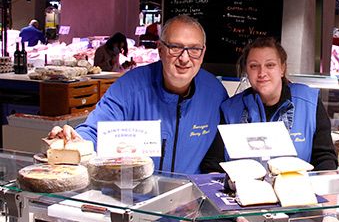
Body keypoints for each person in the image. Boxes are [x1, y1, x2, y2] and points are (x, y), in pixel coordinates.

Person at [203, 37, 339, 222]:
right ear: (246, 71)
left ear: (282, 68)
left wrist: (330, 215)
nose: (262, 73)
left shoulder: (309, 101)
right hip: (245, 221)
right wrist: (232, 211)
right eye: (254, 66)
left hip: (301, 217)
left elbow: (326, 161)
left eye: (270, 65)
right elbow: (212, 168)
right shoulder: (230, 109)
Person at [48, 15, 229, 175]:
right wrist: (74, 140)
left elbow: (218, 155)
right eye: (175, 47)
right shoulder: (129, 87)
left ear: (203, 52)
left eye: (194, 49)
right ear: (160, 49)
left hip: (188, 204)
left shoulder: (214, 93)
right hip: (134, 199)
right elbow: (96, 131)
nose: (184, 58)